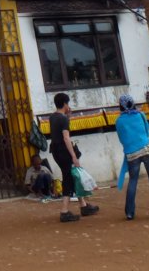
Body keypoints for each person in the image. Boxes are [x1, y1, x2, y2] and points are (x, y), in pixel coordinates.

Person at [115, 94, 149, 221]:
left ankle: (129, 213)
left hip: (132, 153)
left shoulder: (119, 121)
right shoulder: (140, 115)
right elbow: (146, 130)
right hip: (146, 149)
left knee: (133, 181)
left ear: (121, 106)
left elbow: (121, 139)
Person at [49, 92, 99, 222]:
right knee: (68, 178)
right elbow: (66, 138)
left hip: (55, 151)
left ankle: (83, 205)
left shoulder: (53, 117)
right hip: (64, 151)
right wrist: (74, 156)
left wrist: (68, 117)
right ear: (65, 104)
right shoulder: (63, 119)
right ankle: (64, 211)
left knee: (72, 175)